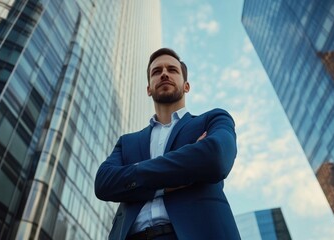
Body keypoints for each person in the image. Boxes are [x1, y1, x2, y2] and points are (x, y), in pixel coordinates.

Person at [95, 48, 240, 240]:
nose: (164, 73)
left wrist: (135, 175)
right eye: (156, 71)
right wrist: (187, 168)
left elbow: (216, 158)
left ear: (186, 85)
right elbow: (103, 183)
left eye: (172, 70)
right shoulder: (127, 142)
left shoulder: (213, 119)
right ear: (148, 89)